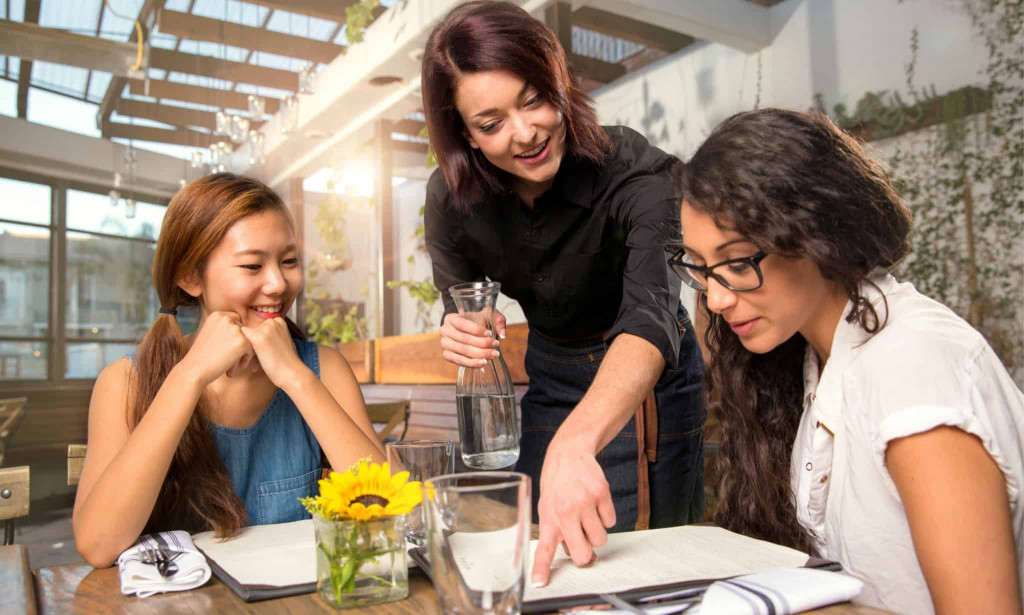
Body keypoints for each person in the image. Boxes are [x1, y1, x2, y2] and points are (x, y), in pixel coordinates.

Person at [675, 108, 1023, 614]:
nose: (717, 299)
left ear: (815, 232)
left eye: (736, 263)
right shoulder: (817, 358)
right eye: (703, 270)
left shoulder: (912, 367)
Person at [421, 0, 706, 586]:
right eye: (491, 123)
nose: (525, 134)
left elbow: (653, 313)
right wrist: (463, 325)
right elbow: (460, 297)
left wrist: (576, 444)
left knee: (644, 564)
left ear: (560, 84)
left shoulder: (634, 172)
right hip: (551, 373)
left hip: (645, 375)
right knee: (540, 553)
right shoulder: (451, 198)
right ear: (465, 135)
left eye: (533, 100)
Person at [73, 173, 384, 568]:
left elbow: (388, 508)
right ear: (190, 276)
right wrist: (189, 377)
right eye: (252, 266)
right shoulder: (125, 382)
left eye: (289, 261)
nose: (278, 283)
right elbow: (99, 545)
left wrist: (295, 377)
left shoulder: (323, 369)